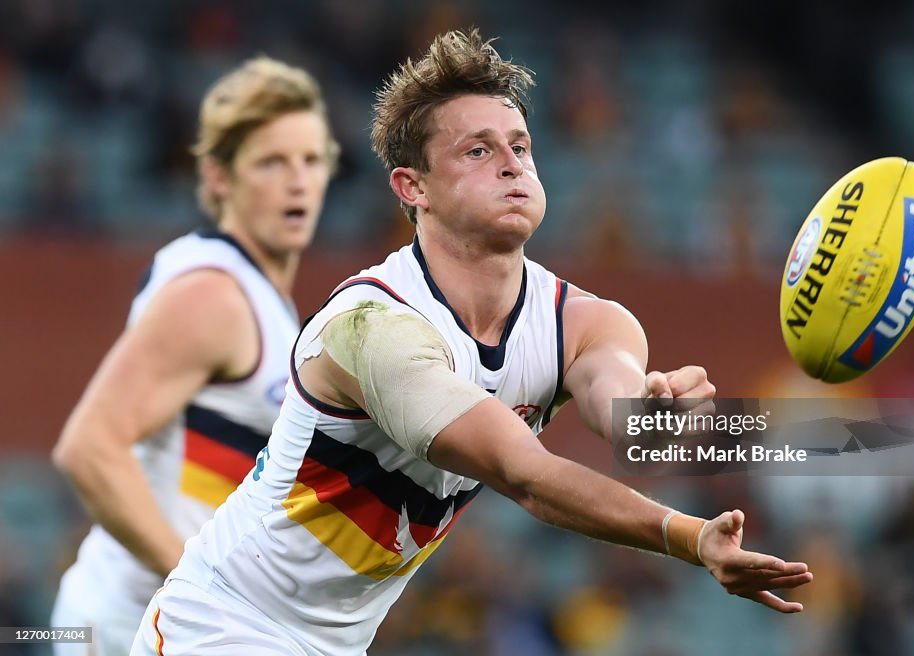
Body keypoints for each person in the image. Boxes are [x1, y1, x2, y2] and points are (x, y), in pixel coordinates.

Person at [130, 29, 813, 656]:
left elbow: (623, 414)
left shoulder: (589, 322)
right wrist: (691, 538)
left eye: (520, 145)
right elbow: (527, 476)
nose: (512, 165)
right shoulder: (372, 327)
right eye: (478, 150)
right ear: (412, 187)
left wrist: (658, 422)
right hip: (217, 625)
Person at [51, 56, 338, 655]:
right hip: (128, 624)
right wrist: (205, 591)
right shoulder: (214, 296)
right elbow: (89, 449)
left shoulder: (261, 301)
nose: (298, 181)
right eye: (271, 162)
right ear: (216, 178)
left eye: (311, 160)